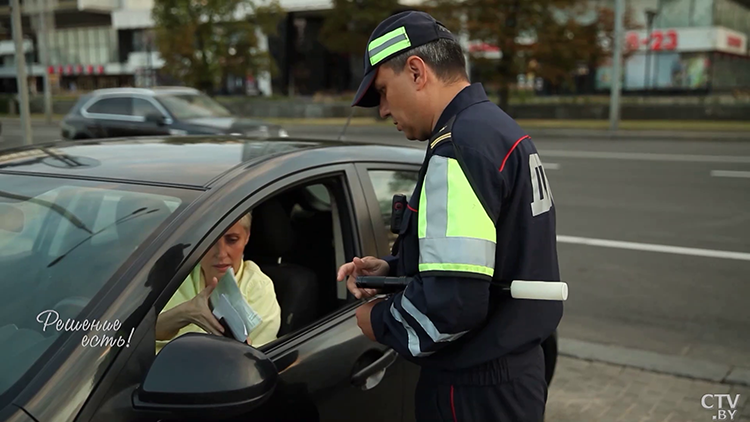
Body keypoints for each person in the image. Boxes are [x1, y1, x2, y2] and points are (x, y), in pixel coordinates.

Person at [336, 10, 563, 422]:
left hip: (473, 392)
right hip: (511, 378)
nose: (383, 110)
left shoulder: (457, 146)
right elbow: (485, 262)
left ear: (417, 72)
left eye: (384, 91)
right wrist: (392, 268)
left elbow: (454, 304)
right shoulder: (495, 129)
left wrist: (378, 321)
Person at [155, 211, 281, 353]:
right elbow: (141, 335)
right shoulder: (175, 278)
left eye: (232, 240)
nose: (221, 253)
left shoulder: (259, 288)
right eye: (210, 241)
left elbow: (255, 361)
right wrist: (185, 313)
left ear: (247, 237)